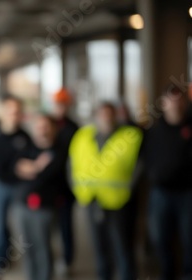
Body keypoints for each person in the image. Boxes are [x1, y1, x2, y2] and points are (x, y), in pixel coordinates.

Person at [68, 102, 143, 280]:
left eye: (110, 114)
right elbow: (71, 165)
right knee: (99, 249)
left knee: (123, 248)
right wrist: (77, 190)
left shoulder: (129, 136)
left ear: (116, 116)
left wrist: (129, 189)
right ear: (96, 116)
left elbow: (139, 168)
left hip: (119, 201)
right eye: (102, 114)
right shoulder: (83, 135)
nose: (106, 118)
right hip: (91, 199)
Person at [142, 85, 192, 280]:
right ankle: (167, 273)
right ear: (163, 104)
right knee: (160, 237)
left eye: (179, 100)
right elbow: (146, 156)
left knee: (189, 238)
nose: (175, 105)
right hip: (161, 192)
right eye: (171, 100)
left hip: (187, 192)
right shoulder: (154, 129)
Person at [0, 96, 31, 279]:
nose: (14, 115)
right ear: (4, 113)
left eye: (18, 112)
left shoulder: (25, 137)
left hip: (19, 187)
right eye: (11, 111)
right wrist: (17, 167)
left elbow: (28, 162)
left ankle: (22, 261)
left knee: (20, 228)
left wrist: (16, 167)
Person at [14, 114, 66, 280]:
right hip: (23, 207)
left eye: (46, 126)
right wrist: (37, 166)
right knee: (26, 249)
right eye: (39, 126)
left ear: (53, 129)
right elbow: (16, 167)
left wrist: (31, 169)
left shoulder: (58, 152)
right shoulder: (28, 147)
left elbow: (45, 177)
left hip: (45, 208)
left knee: (42, 247)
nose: (42, 130)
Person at [51, 88, 78, 271]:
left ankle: (67, 260)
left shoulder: (74, 128)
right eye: (58, 103)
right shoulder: (47, 124)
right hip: (49, 185)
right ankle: (49, 258)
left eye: (63, 104)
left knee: (66, 225)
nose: (61, 107)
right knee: (47, 226)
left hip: (66, 185)